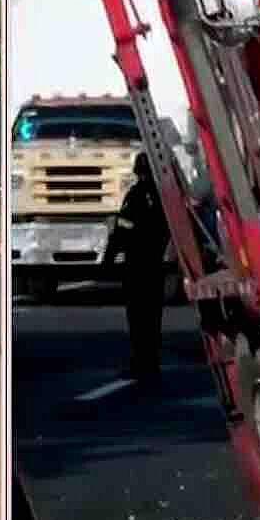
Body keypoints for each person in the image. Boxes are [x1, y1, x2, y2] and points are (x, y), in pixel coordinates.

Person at [103, 152, 171, 387]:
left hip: (136, 264)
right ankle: (152, 361)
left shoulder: (135, 195)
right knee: (153, 316)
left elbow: (122, 229)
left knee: (138, 316)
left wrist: (109, 259)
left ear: (137, 171)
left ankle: (141, 362)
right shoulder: (165, 196)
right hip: (156, 264)